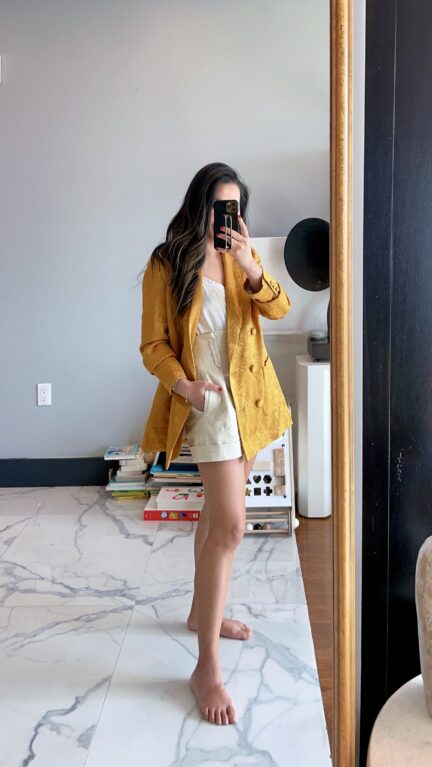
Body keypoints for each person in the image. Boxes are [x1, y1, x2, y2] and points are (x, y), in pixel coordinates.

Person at [138, 162, 293, 726]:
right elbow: (153, 344)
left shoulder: (240, 257)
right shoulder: (166, 262)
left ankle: (201, 614)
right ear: (198, 205)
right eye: (216, 206)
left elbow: (279, 309)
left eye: (233, 208)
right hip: (207, 405)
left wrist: (251, 267)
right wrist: (184, 386)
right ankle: (206, 666)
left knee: (214, 519)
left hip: (248, 402)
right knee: (230, 526)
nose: (224, 217)